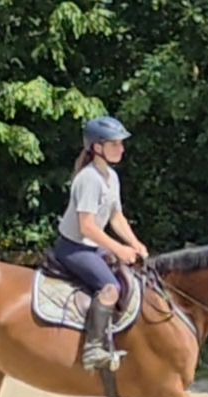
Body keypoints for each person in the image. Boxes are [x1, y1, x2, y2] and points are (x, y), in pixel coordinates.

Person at [53, 115, 149, 371]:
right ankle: (93, 349)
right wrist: (118, 249)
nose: (121, 148)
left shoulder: (111, 177)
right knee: (110, 288)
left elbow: (117, 217)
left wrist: (135, 243)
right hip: (74, 248)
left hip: (91, 246)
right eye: (115, 144)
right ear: (97, 147)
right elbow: (87, 226)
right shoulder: (89, 179)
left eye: (121, 143)